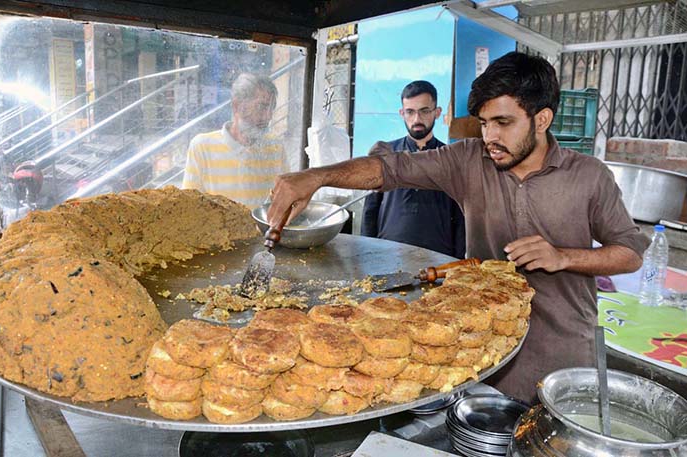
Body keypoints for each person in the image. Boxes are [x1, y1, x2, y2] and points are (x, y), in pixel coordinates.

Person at [266, 52, 649, 404]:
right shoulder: (469, 159)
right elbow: (390, 168)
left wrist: (562, 256)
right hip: (479, 356)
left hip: (559, 359)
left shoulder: (589, 177)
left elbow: (629, 253)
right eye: (484, 124)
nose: (490, 137)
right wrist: (315, 177)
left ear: (542, 119)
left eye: (503, 123)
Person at [361, 81, 465, 258]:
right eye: (410, 112)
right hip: (388, 252)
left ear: (437, 112)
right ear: (402, 113)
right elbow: (370, 209)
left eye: (424, 111)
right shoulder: (386, 154)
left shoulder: (451, 158)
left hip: (438, 257)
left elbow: (461, 216)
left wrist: (458, 259)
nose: (417, 119)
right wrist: (366, 252)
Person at [182, 73, 285, 209]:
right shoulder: (202, 147)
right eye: (262, 107)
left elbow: (284, 199)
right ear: (237, 106)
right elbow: (188, 205)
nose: (268, 117)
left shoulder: (275, 146)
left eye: (272, 108)